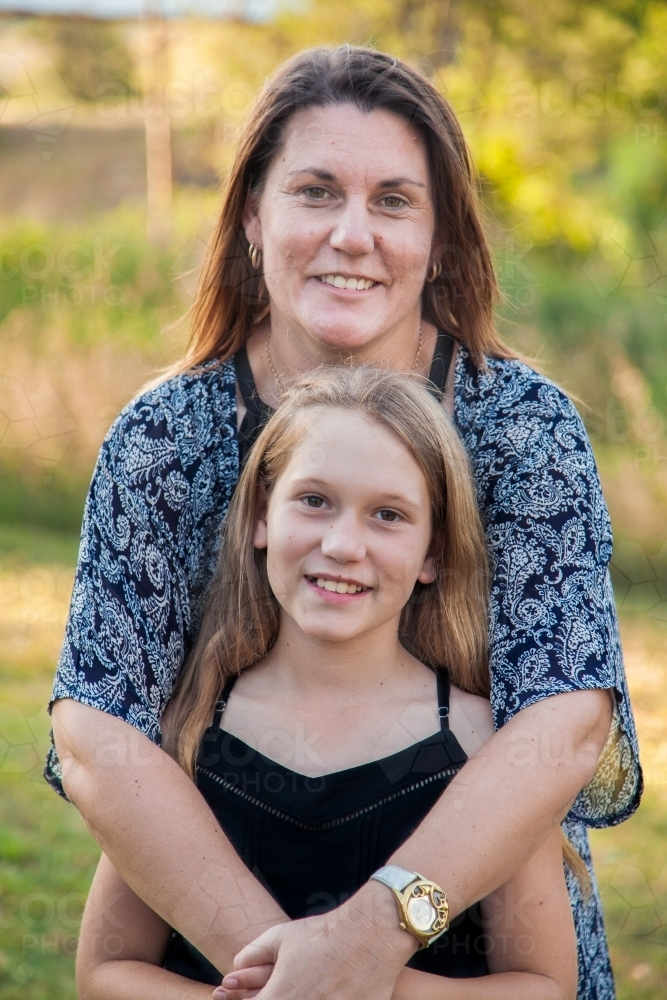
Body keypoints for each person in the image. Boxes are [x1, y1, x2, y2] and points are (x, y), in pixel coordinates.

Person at [47, 46, 640, 1000]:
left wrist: (374, 935)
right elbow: (96, 727)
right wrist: (290, 969)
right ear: (252, 215)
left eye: (393, 201)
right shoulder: (164, 437)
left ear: (440, 239)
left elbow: (564, 718)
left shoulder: (522, 428)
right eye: (315, 192)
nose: (351, 235)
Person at [76, 366, 579, 1000]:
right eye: (314, 501)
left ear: (433, 553)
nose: (343, 545)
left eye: (388, 515)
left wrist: (360, 979)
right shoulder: (189, 724)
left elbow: (544, 985)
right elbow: (105, 972)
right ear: (261, 516)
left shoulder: (485, 745)